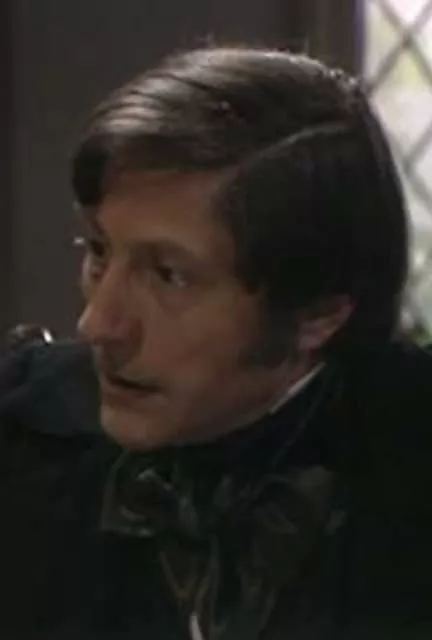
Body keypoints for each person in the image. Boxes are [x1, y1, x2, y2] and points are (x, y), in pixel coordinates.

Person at [0, 45, 431, 639]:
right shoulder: (24, 440)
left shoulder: (410, 472)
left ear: (318, 316)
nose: (98, 324)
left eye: (168, 276)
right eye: (99, 251)